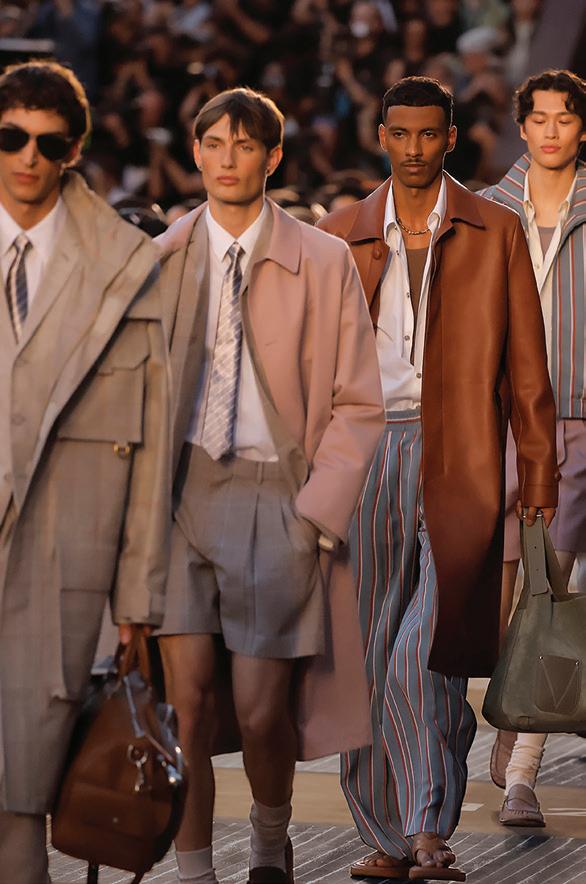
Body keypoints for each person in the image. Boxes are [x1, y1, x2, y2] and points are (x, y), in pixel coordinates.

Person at [318, 75, 558, 881]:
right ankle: (386, 837)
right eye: (401, 134)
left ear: (451, 138)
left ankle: (425, 828)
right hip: (362, 454)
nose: (415, 148)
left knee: (426, 647)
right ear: (381, 136)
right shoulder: (340, 234)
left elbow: (528, 368)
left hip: (463, 453)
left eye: (429, 134)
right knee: (367, 654)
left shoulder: (495, 230)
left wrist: (538, 478)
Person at [154, 86, 384, 884]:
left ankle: (268, 837)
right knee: (186, 708)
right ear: (195, 152)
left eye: (245, 145)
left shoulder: (321, 258)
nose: (227, 159)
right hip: (177, 499)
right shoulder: (160, 260)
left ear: (273, 156)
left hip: (278, 498)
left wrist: (316, 516)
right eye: (214, 143)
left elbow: (360, 400)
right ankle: (194, 872)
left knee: (259, 713)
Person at [0, 61, 171, 882]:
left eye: (49, 143)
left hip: (60, 558)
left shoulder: (122, 265)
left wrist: (137, 598)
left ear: (74, 151)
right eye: (11, 137)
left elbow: (151, 442)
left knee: (23, 792)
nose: (27, 157)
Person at [483, 68, 586, 827]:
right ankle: (507, 707)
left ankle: (521, 770)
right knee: (495, 593)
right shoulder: (489, 211)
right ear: (522, 127)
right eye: (539, 118)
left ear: (582, 128)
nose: (551, 130)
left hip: (575, 421)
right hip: (497, 421)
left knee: (548, 590)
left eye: (565, 117)